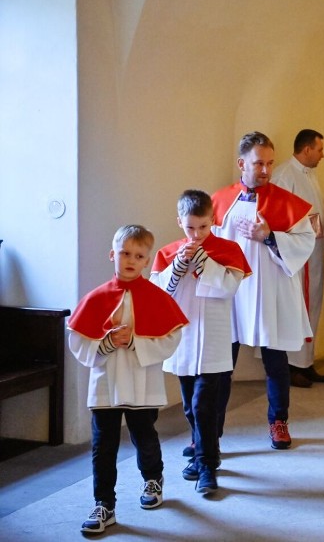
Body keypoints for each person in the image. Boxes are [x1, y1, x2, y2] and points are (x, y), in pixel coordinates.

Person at [68, 225, 188, 534]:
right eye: (124, 253)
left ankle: (153, 479)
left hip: (141, 382)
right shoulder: (97, 298)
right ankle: (104, 504)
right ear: (113, 255)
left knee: (144, 436)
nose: (130, 260)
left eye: (138, 256)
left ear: (147, 261)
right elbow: (79, 340)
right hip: (106, 384)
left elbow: (171, 339)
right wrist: (106, 343)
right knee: (103, 447)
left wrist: (135, 341)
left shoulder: (156, 298)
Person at [212, 131, 315, 450]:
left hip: (271, 289)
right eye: (259, 163)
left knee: (275, 359)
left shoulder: (286, 202)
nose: (266, 170)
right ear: (242, 163)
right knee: (220, 364)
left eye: (270, 163)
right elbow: (210, 242)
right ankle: (209, 429)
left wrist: (270, 236)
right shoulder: (220, 201)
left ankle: (278, 421)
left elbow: (305, 241)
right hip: (232, 291)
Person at [150, 190, 251, 494]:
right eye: (190, 227)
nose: (196, 234)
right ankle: (203, 451)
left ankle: (207, 465)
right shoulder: (168, 252)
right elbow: (160, 294)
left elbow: (230, 287)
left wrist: (204, 261)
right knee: (190, 407)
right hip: (184, 337)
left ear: (212, 221)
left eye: (203, 227)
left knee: (203, 403)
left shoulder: (227, 249)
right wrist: (179, 266)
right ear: (179, 220)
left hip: (215, 337)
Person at [270, 129, 324, 388]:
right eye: (319, 149)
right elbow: (277, 215)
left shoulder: (310, 174)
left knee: (312, 306)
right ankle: (291, 365)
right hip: (296, 256)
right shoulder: (285, 175)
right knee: (297, 307)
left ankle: (306, 362)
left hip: (314, 252)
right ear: (306, 149)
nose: (323, 155)